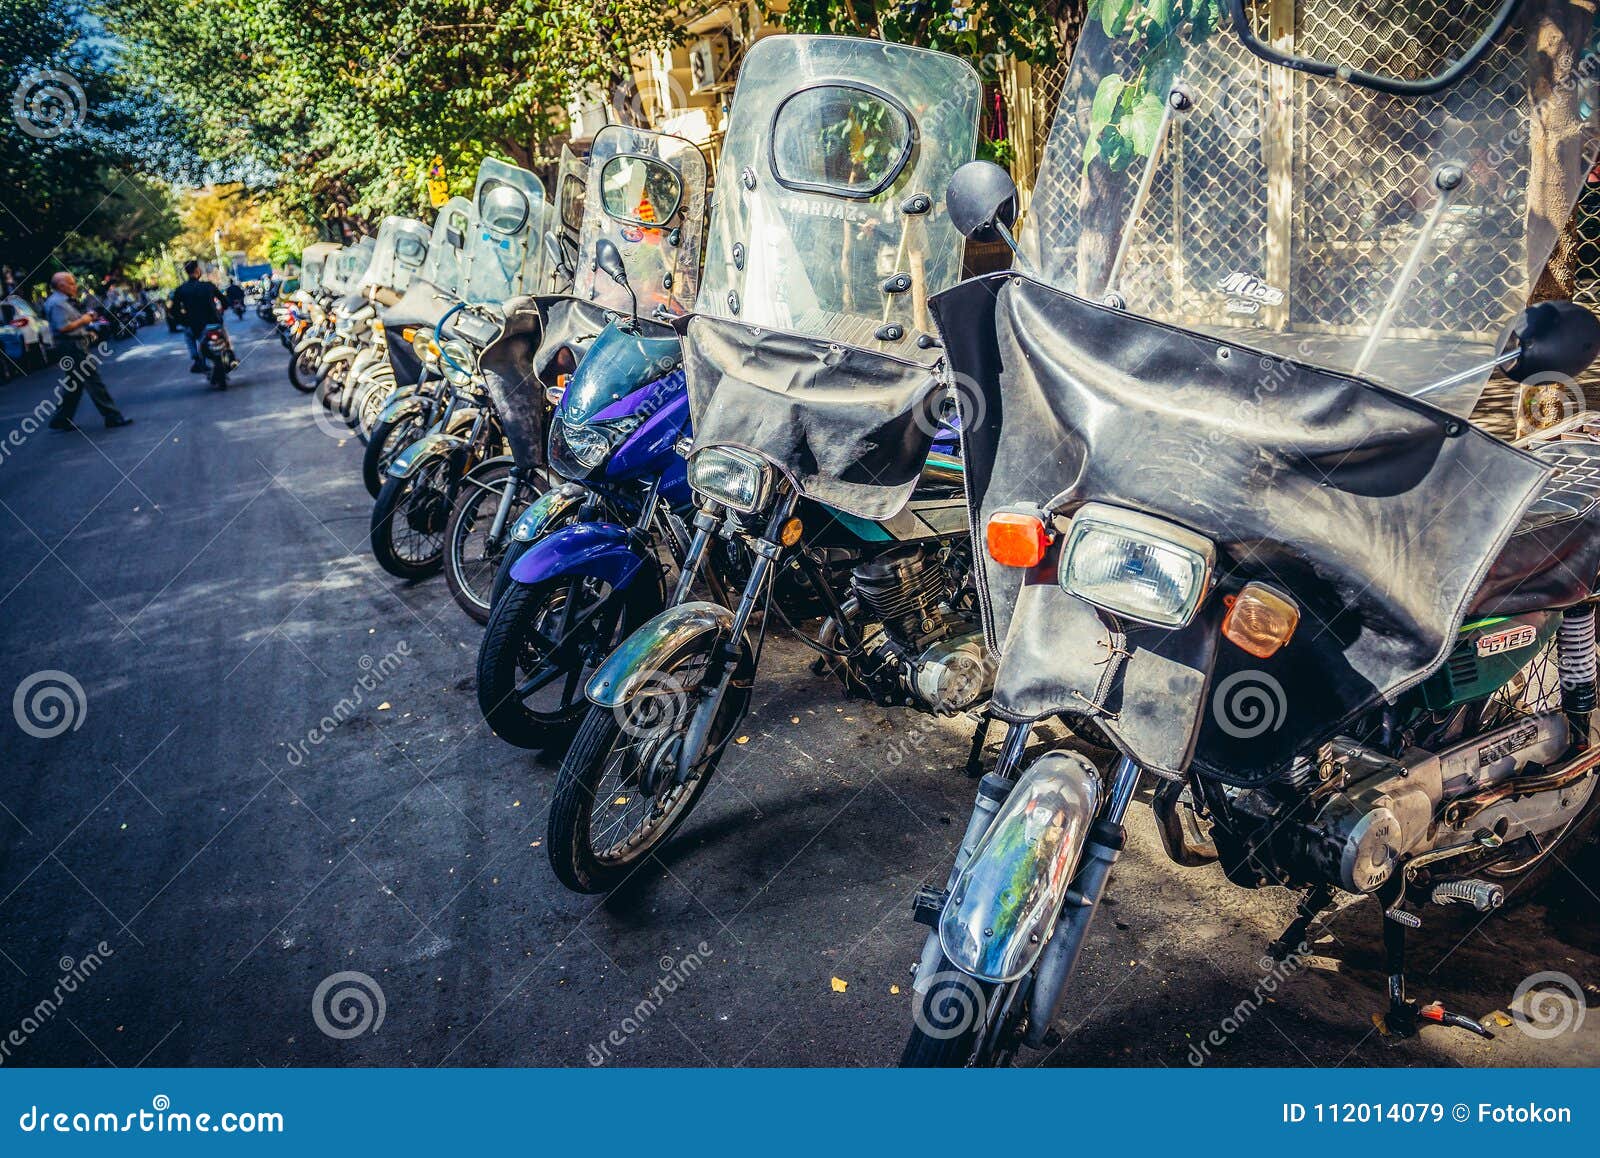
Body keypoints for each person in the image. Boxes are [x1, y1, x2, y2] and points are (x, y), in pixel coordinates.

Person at [42, 271, 132, 432]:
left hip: (73, 344)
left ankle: (61, 419)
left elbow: (69, 324)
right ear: (61, 285)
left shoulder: (64, 302)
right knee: (93, 380)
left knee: (74, 383)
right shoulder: (57, 303)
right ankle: (112, 416)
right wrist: (84, 320)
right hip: (71, 347)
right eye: (71, 283)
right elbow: (62, 327)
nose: (74, 286)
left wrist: (86, 327)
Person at [171, 260, 227, 373]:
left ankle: (196, 359)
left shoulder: (181, 290)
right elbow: (224, 301)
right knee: (224, 334)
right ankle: (230, 356)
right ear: (197, 270)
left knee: (188, 335)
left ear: (187, 272)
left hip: (194, 326)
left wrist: (184, 321)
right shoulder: (208, 286)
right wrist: (221, 312)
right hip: (213, 323)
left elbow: (174, 311)